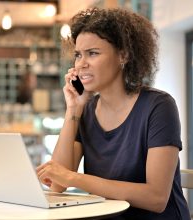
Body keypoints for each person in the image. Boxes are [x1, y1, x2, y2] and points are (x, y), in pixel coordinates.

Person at [36, 7, 190, 220]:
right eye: (78, 55)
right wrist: (73, 108)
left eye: (93, 53)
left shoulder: (158, 106)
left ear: (123, 56)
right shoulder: (86, 111)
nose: (81, 64)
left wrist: (75, 178)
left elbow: (156, 198)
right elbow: (57, 184)